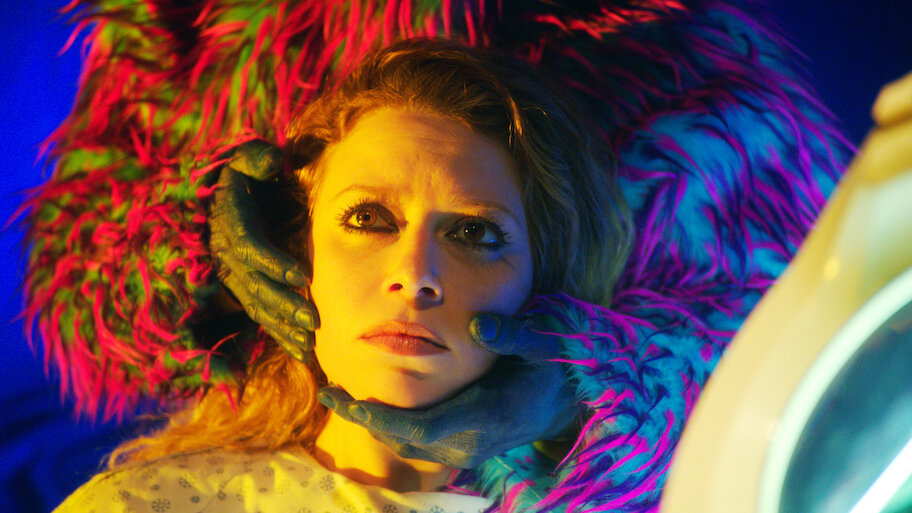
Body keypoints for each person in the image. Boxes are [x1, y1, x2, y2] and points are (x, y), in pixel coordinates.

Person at [24, 1, 851, 511]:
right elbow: (81, 269)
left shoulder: (679, 59)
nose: (415, 273)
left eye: (474, 234)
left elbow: (829, 354)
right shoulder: (182, 28)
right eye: (367, 219)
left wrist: (604, 393)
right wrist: (186, 231)